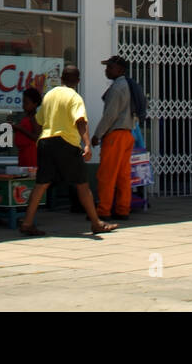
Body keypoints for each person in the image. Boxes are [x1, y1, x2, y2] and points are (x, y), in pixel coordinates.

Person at [18, 65, 116, 237]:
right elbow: (80, 121)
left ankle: (27, 223)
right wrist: (86, 144)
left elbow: (39, 121)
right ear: (78, 81)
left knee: (41, 185)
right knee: (82, 185)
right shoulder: (75, 97)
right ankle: (96, 223)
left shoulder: (49, 95)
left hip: (45, 142)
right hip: (66, 143)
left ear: (61, 79)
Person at [93, 56, 136, 222]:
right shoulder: (129, 86)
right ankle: (123, 208)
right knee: (123, 175)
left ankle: (103, 210)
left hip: (115, 135)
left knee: (107, 174)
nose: (106, 70)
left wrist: (98, 134)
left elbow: (110, 115)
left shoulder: (117, 88)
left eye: (110, 67)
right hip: (127, 134)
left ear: (120, 70)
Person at [13, 87, 42, 168]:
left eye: (26, 103)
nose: (23, 105)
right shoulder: (26, 117)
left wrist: (21, 129)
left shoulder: (34, 118)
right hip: (23, 153)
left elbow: (37, 137)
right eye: (23, 102)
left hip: (31, 154)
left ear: (35, 104)